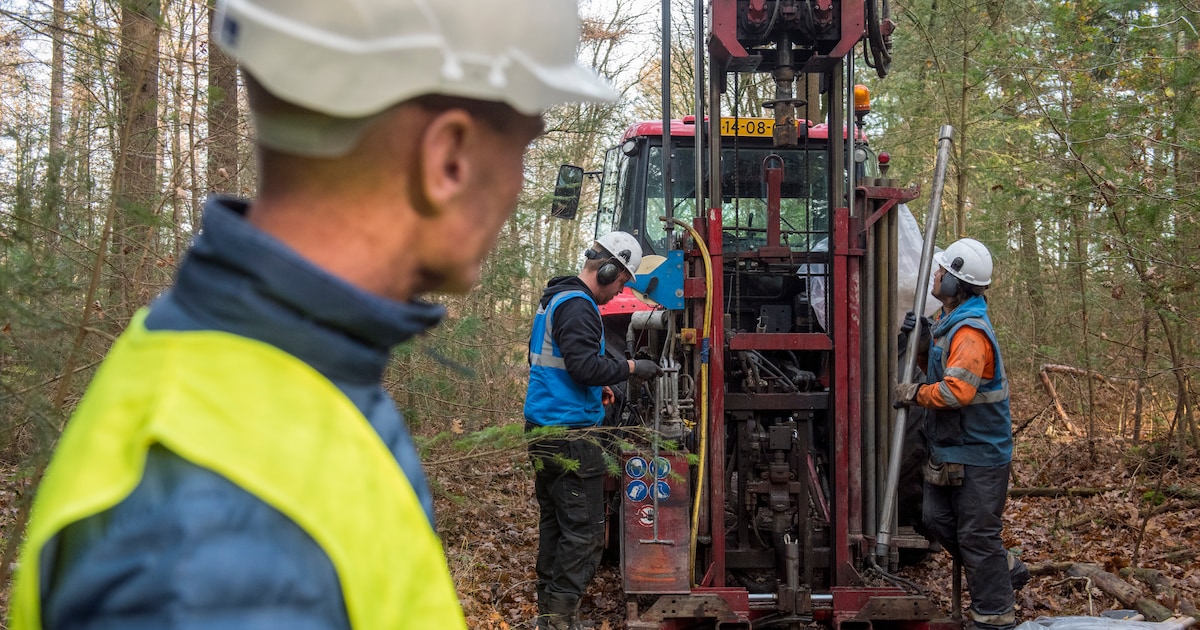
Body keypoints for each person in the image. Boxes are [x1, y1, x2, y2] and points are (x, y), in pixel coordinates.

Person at [9, 2, 617, 629]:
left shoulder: (259, 371)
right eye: (522, 146)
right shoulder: (212, 544)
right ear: (449, 161)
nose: (520, 184)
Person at [524, 231, 660, 630]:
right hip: (570, 435)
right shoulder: (580, 307)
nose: (620, 289)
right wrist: (632, 368)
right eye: (621, 281)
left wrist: (594, 384)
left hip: (543, 426)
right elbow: (584, 366)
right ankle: (561, 621)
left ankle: (547, 616)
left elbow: (559, 362)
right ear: (607, 269)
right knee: (583, 534)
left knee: (556, 526)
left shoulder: (555, 299)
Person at [894, 238, 1030, 630]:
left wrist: (914, 393)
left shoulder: (970, 333)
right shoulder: (948, 324)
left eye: (941, 273)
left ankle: (994, 618)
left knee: (976, 535)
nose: (935, 277)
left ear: (956, 284)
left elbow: (956, 392)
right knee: (935, 519)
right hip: (952, 448)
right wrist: (921, 349)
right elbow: (943, 372)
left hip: (980, 453)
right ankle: (1003, 566)